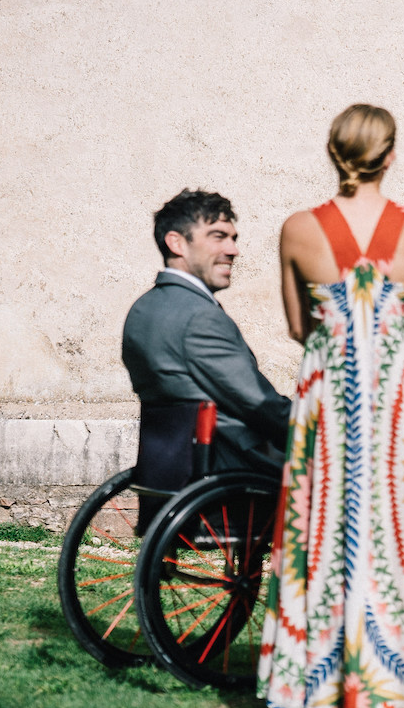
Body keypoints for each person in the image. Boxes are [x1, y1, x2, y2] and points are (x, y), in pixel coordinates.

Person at [257, 103, 404, 708]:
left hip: (329, 391)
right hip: (398, 393)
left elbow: (297, 326)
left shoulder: (297, 229)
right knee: (399, 525)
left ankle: (317, 682)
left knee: (323, 524)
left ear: (333, 153)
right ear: (390, 155)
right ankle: (391, 685)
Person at [122, 189, 292, 521]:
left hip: (171, 467)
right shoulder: (199, 317)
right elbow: (259, 405)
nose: (233, 250)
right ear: (177, 243)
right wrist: (321, 427)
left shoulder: (144, 309)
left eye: (233, 238)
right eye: (218, 237)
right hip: (234, 467)